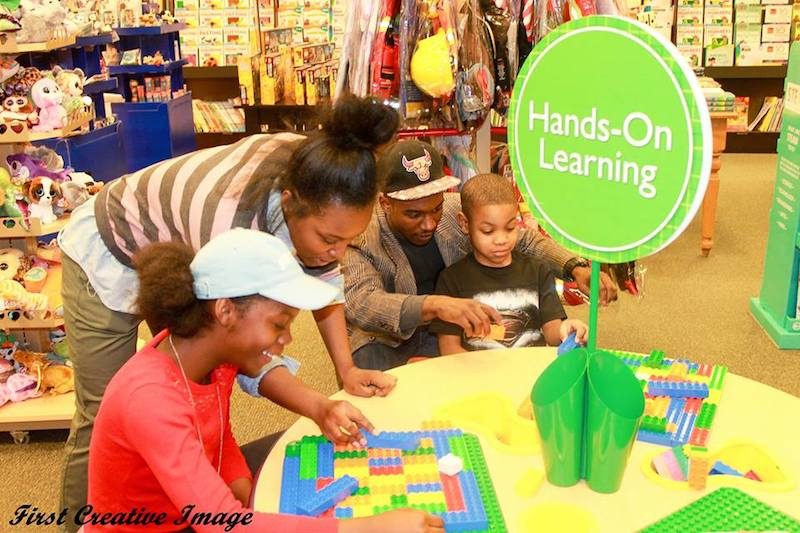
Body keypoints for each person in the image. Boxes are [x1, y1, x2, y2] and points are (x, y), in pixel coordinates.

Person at [59, 95, 400, 523]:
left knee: (190, 392)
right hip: (110, 245)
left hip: (182, 261)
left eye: (350, 240)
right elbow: (239, 345)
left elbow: (296, 300)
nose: (339, 254)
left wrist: (343, 373)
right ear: (292, 202)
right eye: (331, 239)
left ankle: (184, 485)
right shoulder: (226, 224)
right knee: (105, 412)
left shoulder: (326, 173)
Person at [86, 229, 444, 533]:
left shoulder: (211, 354)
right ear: (225, 310)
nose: (287, 339)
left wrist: (237, 475)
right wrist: (367, 527)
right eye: (279, 324)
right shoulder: (148, 399)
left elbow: (214, 430)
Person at [343, 140, 616, 371]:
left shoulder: (455, 209)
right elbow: (362, 303)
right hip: (388, 340)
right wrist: (435, 305)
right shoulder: (360, 234)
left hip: (453, 329)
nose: (429, 223)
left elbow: (524, 240)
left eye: (435, 209)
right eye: (414, 214)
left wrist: (575, 267)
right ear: (385, 203)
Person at [429, 174, 589, 354]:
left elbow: (552, 331)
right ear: (465, 223)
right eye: (488, 231)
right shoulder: (451, 280)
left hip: (529, 374)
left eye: (511, 228)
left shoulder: (538, 271)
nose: (501, 240)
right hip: (477, 377)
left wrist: (566, 330)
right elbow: (449, 348)